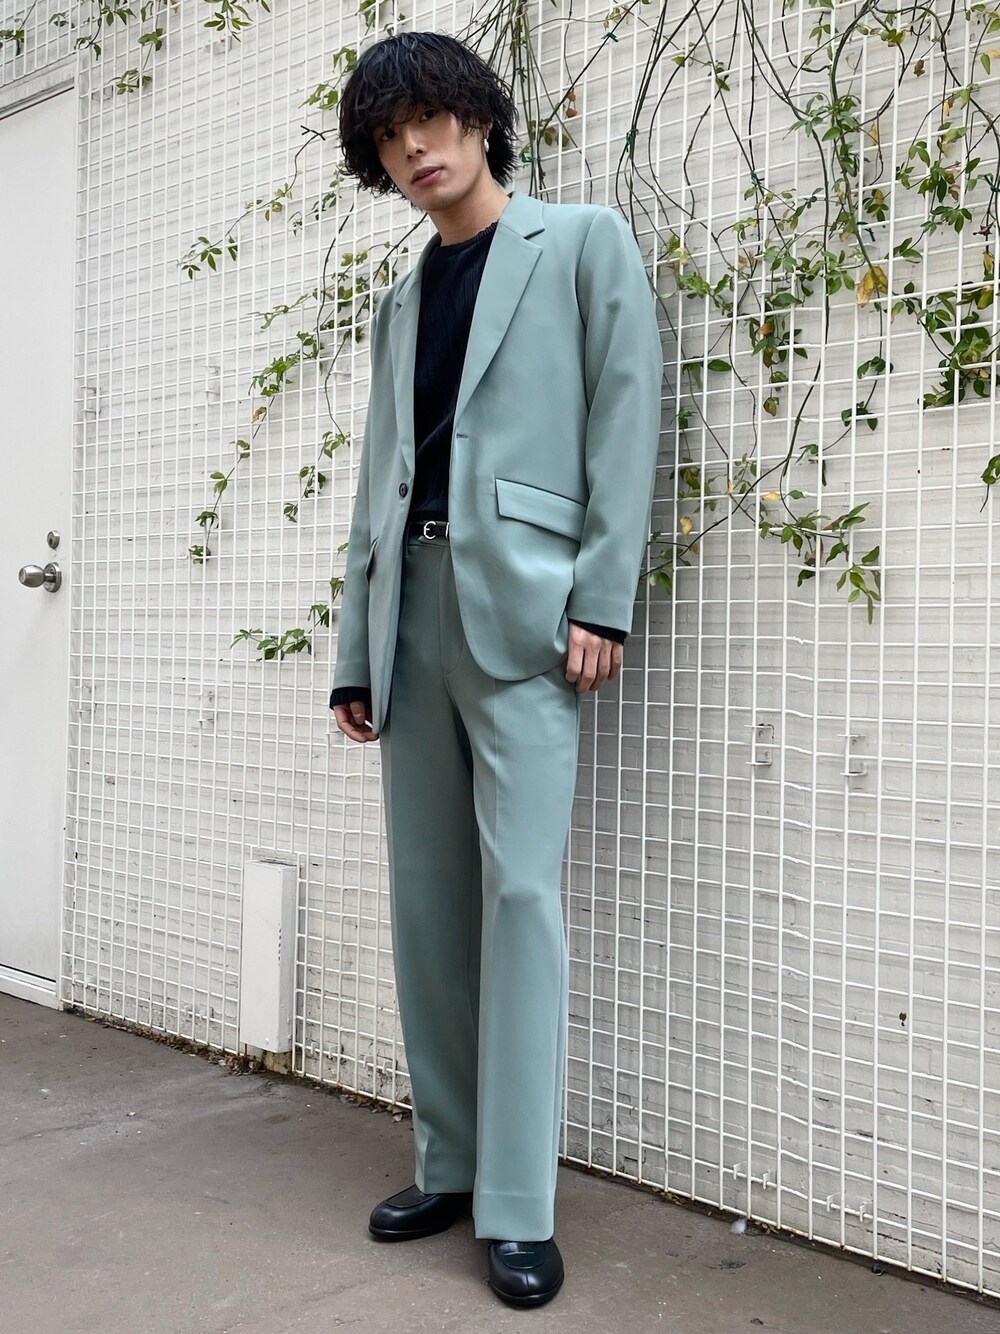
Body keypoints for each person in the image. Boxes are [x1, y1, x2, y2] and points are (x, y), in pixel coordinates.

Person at [330, 30, 662, 1309]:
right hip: (409, 613)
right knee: (429, 904)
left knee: (519, 895)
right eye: (387, 137)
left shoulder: (578, 244)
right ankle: (451, 1162)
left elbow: (624, 417)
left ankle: (518, 1203)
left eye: (427, 119)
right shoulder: (400, 300)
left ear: (476, 118)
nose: (412, 148)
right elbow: (377, 481)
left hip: (525, 620)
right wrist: (356, 652)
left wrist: (602, 597)